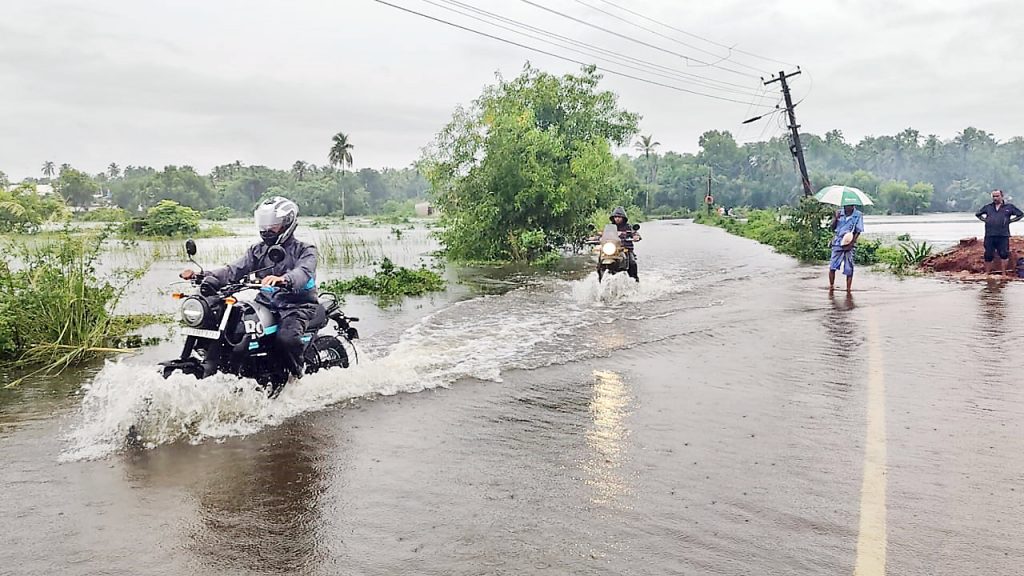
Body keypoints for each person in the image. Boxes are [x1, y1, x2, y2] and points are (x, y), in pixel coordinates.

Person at [180, 196, 319, 380]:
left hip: (297, 306)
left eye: (273, 225)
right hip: (266, 303)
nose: (267, 230)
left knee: (286, 339)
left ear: (288, 223)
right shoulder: (257, 250)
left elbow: (302, 272)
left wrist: (283, 279)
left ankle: (297, 378)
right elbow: (233, 270)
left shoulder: (305, 250)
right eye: (265, 225)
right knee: (234, 324)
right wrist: (203, 275)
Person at [975, 189, 1023, 276]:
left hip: (1003, 234)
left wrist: (1010, 221)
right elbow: (978, 214)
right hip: (990, 234)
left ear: (1002, 196)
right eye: (993, 196)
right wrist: (986, 220)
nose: (995, 198)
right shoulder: (988, 207)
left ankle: (1004, 274)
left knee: (1004, 253)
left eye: (997, 196)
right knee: (988, 254)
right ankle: (987, 274)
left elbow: (1020, 214)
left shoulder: (1009, 207)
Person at [829, 204, 864, 293]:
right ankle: (831, 286)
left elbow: (858, 231)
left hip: (849, 242)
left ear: (852, 206)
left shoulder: (858, 215)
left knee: (849, 268)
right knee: (832, 265)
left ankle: (848, 289)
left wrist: (851, 244)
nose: (846, 207)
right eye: (845, 206)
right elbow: (832, 228)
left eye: (848, 206)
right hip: (837, 242)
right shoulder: (839, 213)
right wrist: (836, 218)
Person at [609, 206, 641, 281]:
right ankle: (599, 280)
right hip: (612, 250)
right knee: (600, 261)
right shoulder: (610, 227)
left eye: (619, 217)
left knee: (632, 263)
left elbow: (635, 233)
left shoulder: (628, 227)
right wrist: (594, 237)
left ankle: (635, 280)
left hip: (626, 249)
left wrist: (636, 236)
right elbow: (602, 234)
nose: (617, 218)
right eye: (616, 216)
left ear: (623, 218)